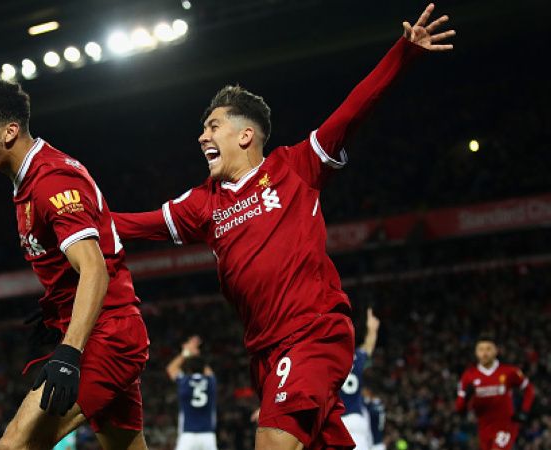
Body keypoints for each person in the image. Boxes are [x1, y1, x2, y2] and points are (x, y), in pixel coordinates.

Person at [111, 4, 455, 448]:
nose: (202, 137)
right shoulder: (203, 203)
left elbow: (351, 112)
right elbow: (131, 225)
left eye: (212, 126)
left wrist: (402, 54)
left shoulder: (295, 167)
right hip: (266, 353)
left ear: (245, 135)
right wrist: (68, 215)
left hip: (311, 334)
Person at [0, 79, 150, 450]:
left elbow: (94, 269)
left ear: (10, 131)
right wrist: (56, 307)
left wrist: (68, 354)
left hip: (106, 337)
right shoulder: (29, 181)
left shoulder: (51, 181)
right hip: (102, 330)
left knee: (16, 445)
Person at [455, 335, 535, 450]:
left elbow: (529, 389)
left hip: (505, 425)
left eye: (488, 349)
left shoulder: (509, 372)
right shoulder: (469, 376)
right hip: (484, 427)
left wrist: (524, 410)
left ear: (496, 350)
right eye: (481, 349)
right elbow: (459, 408)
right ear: (476, 352)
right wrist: (465, 397)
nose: (484, 353)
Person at [166, 336, 218, 450]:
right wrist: (196, 354)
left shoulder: (184, 381)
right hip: (208, 435)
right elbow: (206, 370)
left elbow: (171, 369)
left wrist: (186, 353)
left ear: (188, 369)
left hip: (188, 435)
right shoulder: (211, 381)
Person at [340, 308, 380, 450]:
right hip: (358, 420)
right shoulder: (355, 357)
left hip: (340, 423)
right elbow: (368, 346)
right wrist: (372, 330)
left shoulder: (328, 360)